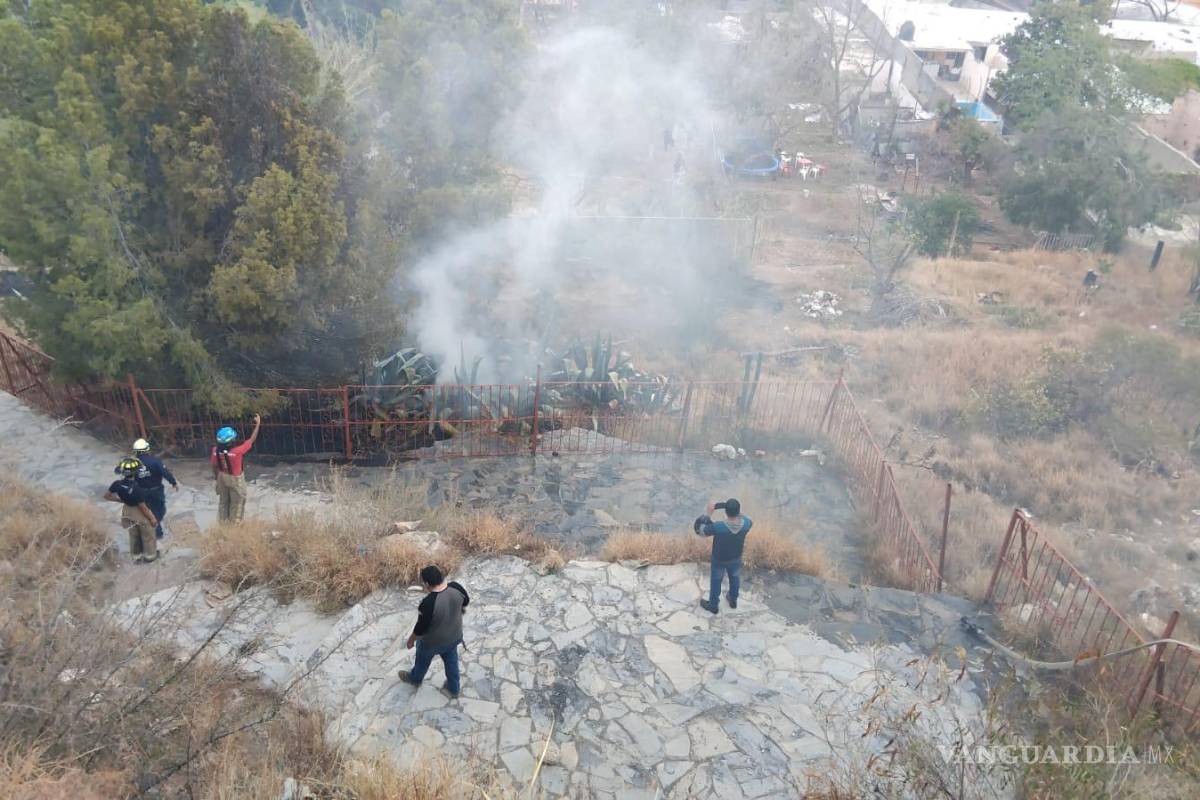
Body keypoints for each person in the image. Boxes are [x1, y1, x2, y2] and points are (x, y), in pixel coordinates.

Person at [398, 565, 469, 699]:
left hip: (431, 644)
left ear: (426, 584)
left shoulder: (428, 603)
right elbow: (466, 601)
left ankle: (415, 679)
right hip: (454, 637)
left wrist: (411, 640)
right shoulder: (456, 587)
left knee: (422, 662)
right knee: (451, 662)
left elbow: (420, 629)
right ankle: (454, 689)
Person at [693, 498, 753, 615]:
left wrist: (708, 514)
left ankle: (713, 605)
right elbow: (750, 520)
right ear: (738, 511)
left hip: (719, 559)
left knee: (716, 581)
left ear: (726, 512)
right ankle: (733, 600)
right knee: (735, 578)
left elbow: (701, 531)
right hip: (735, 558)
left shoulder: (718, 527)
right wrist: (738, 511)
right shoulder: (746, 524)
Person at [105, 458, 159, 564]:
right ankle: (150, 556)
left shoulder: (117, 484)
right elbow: (143, 507)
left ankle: (136, 556)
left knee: (133, 534)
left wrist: (121, 500)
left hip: (126, 511)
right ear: (135, 473)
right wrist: (152, 519)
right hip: (139, 512)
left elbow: (107, 496)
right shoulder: (137, 489)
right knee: (148, 534)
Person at [211, 414, 261, 523]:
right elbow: (251, 440)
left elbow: (214, 466)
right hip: (235, 479)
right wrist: (258, 424)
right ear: (231, 441)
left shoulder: (215, 451)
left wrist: (217, 479)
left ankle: (222, 522)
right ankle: (235, 525)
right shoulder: (237, 452)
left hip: (221, 476)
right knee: (237, 503)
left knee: (223, 502)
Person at [128, 438, 178, 539]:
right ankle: (157, 531)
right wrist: (173, 482)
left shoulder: (132, 463)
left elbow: (129, 478)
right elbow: (165, 473)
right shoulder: (155, 461)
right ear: (147, 449)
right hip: (156, 491)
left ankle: (151, 527)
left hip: (141, 491)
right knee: (160, 510)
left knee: (147, 511)